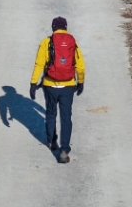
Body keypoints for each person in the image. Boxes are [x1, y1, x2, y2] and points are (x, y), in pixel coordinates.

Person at [29, 16, 85, 163]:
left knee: (51, 113)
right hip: (68, 85)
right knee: (66, 117)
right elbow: (80, 65)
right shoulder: (73, 42)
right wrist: (81, 82)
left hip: (50, 85)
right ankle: (64, 150)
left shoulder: (46, 42)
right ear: (65, 27)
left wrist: (33, 83)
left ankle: (52, 141)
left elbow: (39, 64)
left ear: (53, 27)